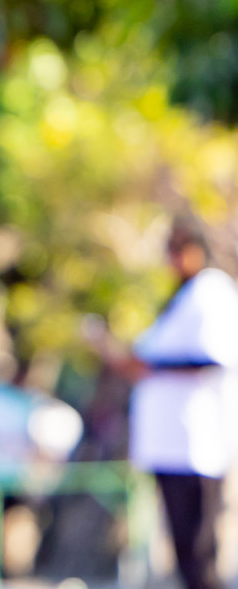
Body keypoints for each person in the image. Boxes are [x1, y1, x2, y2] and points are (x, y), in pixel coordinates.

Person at [93, 223, 238, 589]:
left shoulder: (211, 291)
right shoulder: (181, 297)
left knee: (198, 549)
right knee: (183, 549)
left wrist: (147, 367)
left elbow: (211, 358)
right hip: (169, 445)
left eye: (178, 248)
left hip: (196, 444)